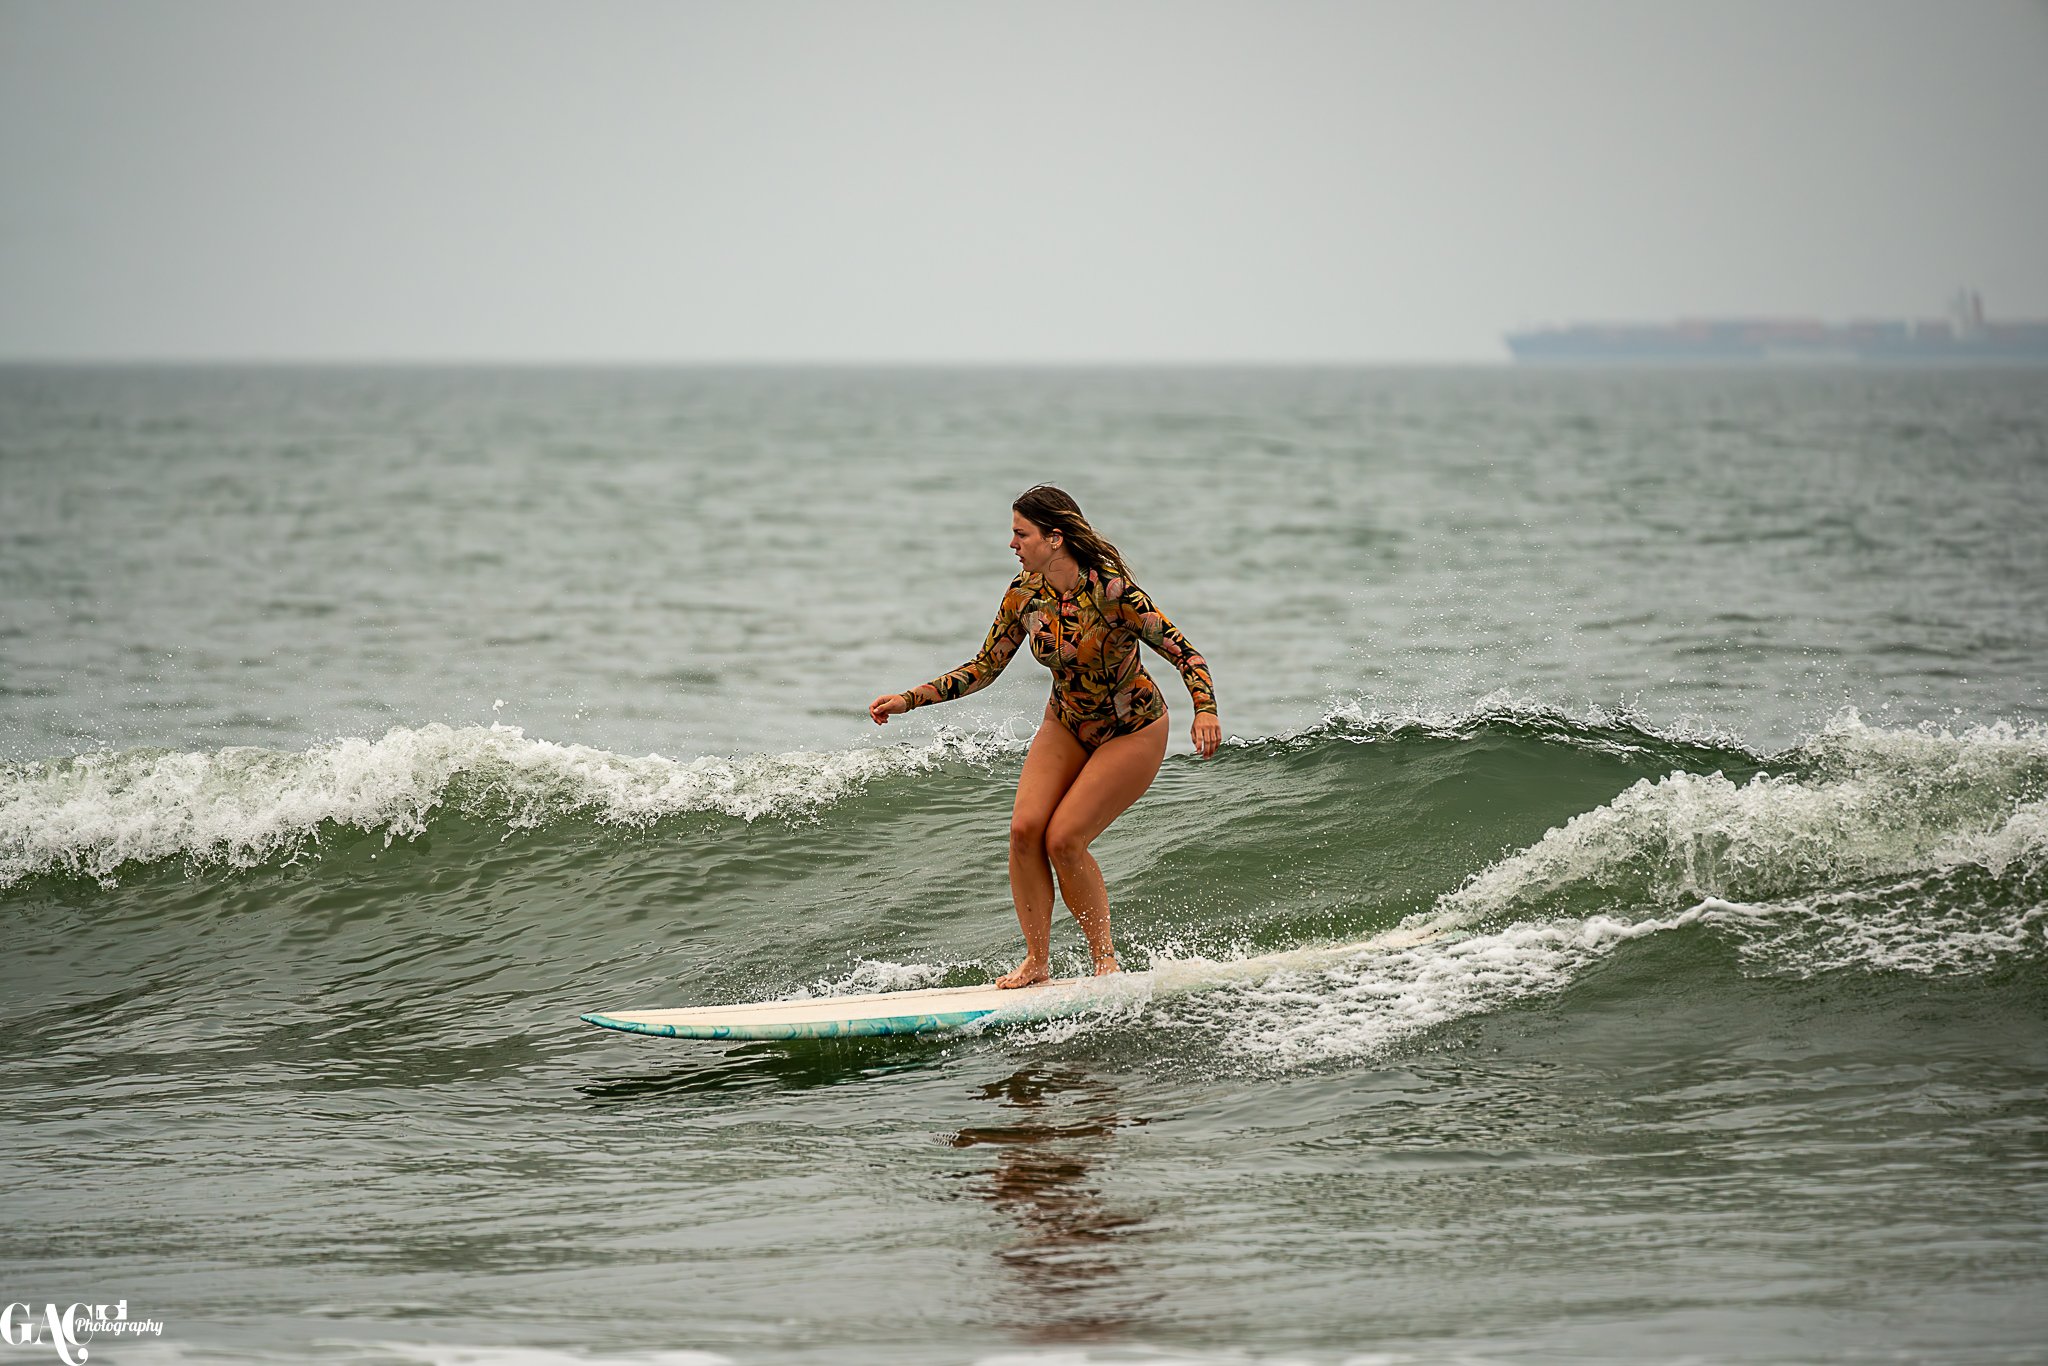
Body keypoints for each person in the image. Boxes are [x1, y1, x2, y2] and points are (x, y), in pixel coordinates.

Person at [868, 485, 1220, 988]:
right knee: (1024, 832)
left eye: (1021, 533)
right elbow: (985, 667)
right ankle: (1037, 961)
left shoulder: (1114, 593)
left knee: (1064, 839)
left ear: (1055, 538)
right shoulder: (1024, 593)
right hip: (1067, 722)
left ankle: (1105, 961)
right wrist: (909, 699)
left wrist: (1204, 710)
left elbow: (1188, 654)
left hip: (1132, 727)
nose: (1013, 544)